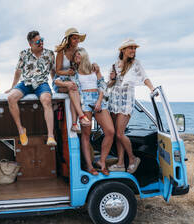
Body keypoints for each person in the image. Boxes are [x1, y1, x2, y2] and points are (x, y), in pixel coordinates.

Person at [107, 39, 155, 173]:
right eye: (131, 48)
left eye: (134, 48)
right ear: (123, 50)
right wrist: (111, 79)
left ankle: (133, 159)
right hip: (114, 99)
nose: (133, 51)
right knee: (117, 134)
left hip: (127, 100)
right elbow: (110, 85)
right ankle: (121, 163)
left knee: (120, 133)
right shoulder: (115, 65)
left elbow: (145, 77)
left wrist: (152, 88)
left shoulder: (136, 64)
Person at [6, 31, 57, 146]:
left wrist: (55, 85)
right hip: (26, 83)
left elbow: (53, 71)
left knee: (47, 100)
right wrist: (13, 87)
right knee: (11, 98)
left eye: (42, 40)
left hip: (42, 83)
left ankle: (50, 136)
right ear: (30, 44)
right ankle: (21, 130)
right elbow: (18, 71)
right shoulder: (24, 54)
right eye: (38, 41)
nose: (41, 43)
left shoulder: (49, 54)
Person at [73, 48, 115, 176]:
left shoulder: (94, 68)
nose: (76, 56)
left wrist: (99, 100)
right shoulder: (74, 71)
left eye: (78, 54)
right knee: (86, 135)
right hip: (84, 101)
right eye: (75, 55)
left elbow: (102, 85)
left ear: (84, 55)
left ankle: (102, 162)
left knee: (110, 131)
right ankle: (90, 166)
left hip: (98, 99)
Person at [53, 28, 91, 132]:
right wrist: (67, 73)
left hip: (73, 81)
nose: (77, 41)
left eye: (78, 38)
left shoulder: (79, 52)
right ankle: (81, 117)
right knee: (73, 88)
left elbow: (84, 66)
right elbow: (57, 71)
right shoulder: (61, 52)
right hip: (60, 81)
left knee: (73, 88)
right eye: (74, 38)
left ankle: (75, 124)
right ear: (69, 39)